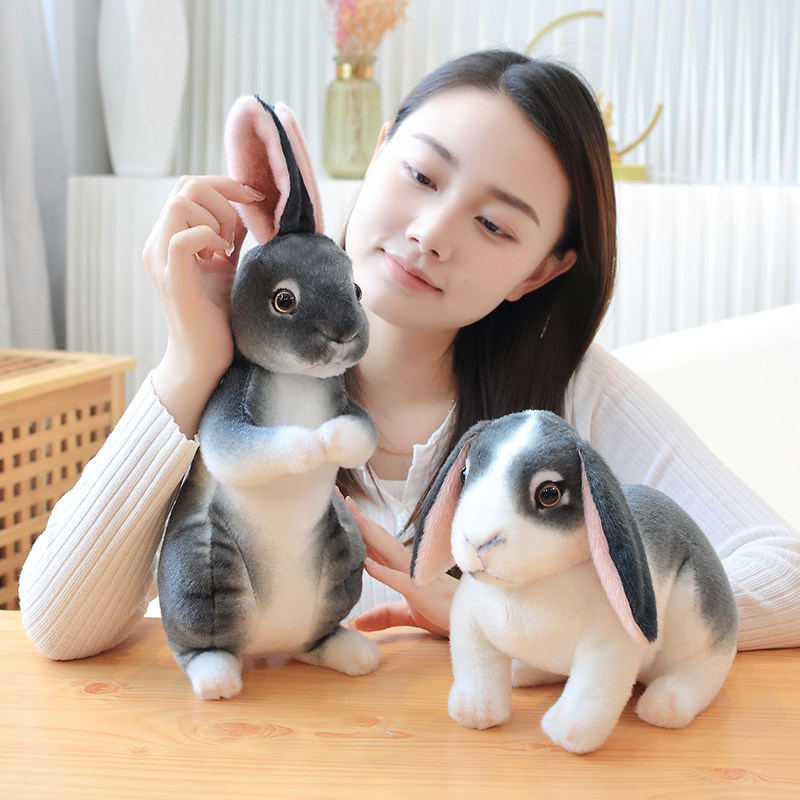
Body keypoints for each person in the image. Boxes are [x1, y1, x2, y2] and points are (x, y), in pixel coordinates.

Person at [19, 50, 800, 660]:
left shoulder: (569, 396)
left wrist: (514, 620)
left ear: (539, 272)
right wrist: (190, 365)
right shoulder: (239, 371)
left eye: (494, 225)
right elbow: (57, 625)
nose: (431, 233)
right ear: (379, 148)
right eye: (421, 174)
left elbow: (785, 571)